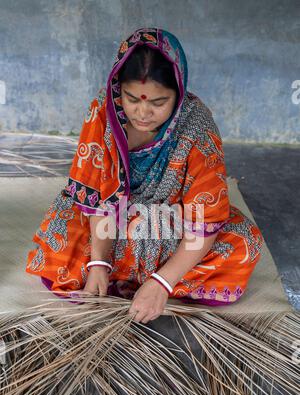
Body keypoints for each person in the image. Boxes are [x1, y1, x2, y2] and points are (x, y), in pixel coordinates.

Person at [25, 27, 264, 324]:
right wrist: (99, 262)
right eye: (132, 98)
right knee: (59, 234)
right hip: (111, 223)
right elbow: (95, 195)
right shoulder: (104, 111)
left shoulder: (197, 126)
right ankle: (119, 274)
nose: (142, 113)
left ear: (178, 93)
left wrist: (161, 283)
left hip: (171, 222)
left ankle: (152, 281)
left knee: (242, 243)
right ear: (118, 88)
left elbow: (205, 217)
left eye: (158, 102)